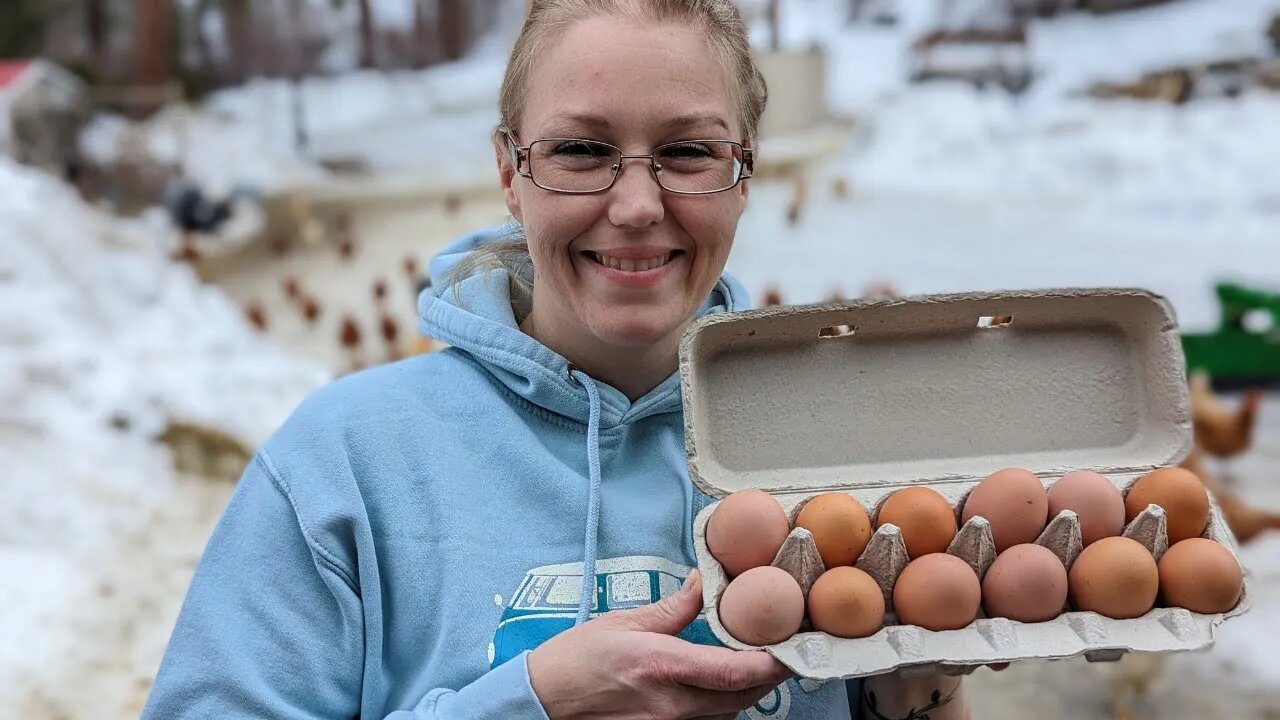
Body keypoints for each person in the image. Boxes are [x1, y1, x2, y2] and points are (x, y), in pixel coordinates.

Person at [141, 1, 973, 718]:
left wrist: (917, 684)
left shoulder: (833, 447)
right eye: (581, 150)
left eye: (689, 153)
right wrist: (529, 703)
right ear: (510, 170)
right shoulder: (347, 462)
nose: (639, 205)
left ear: (743, 174)